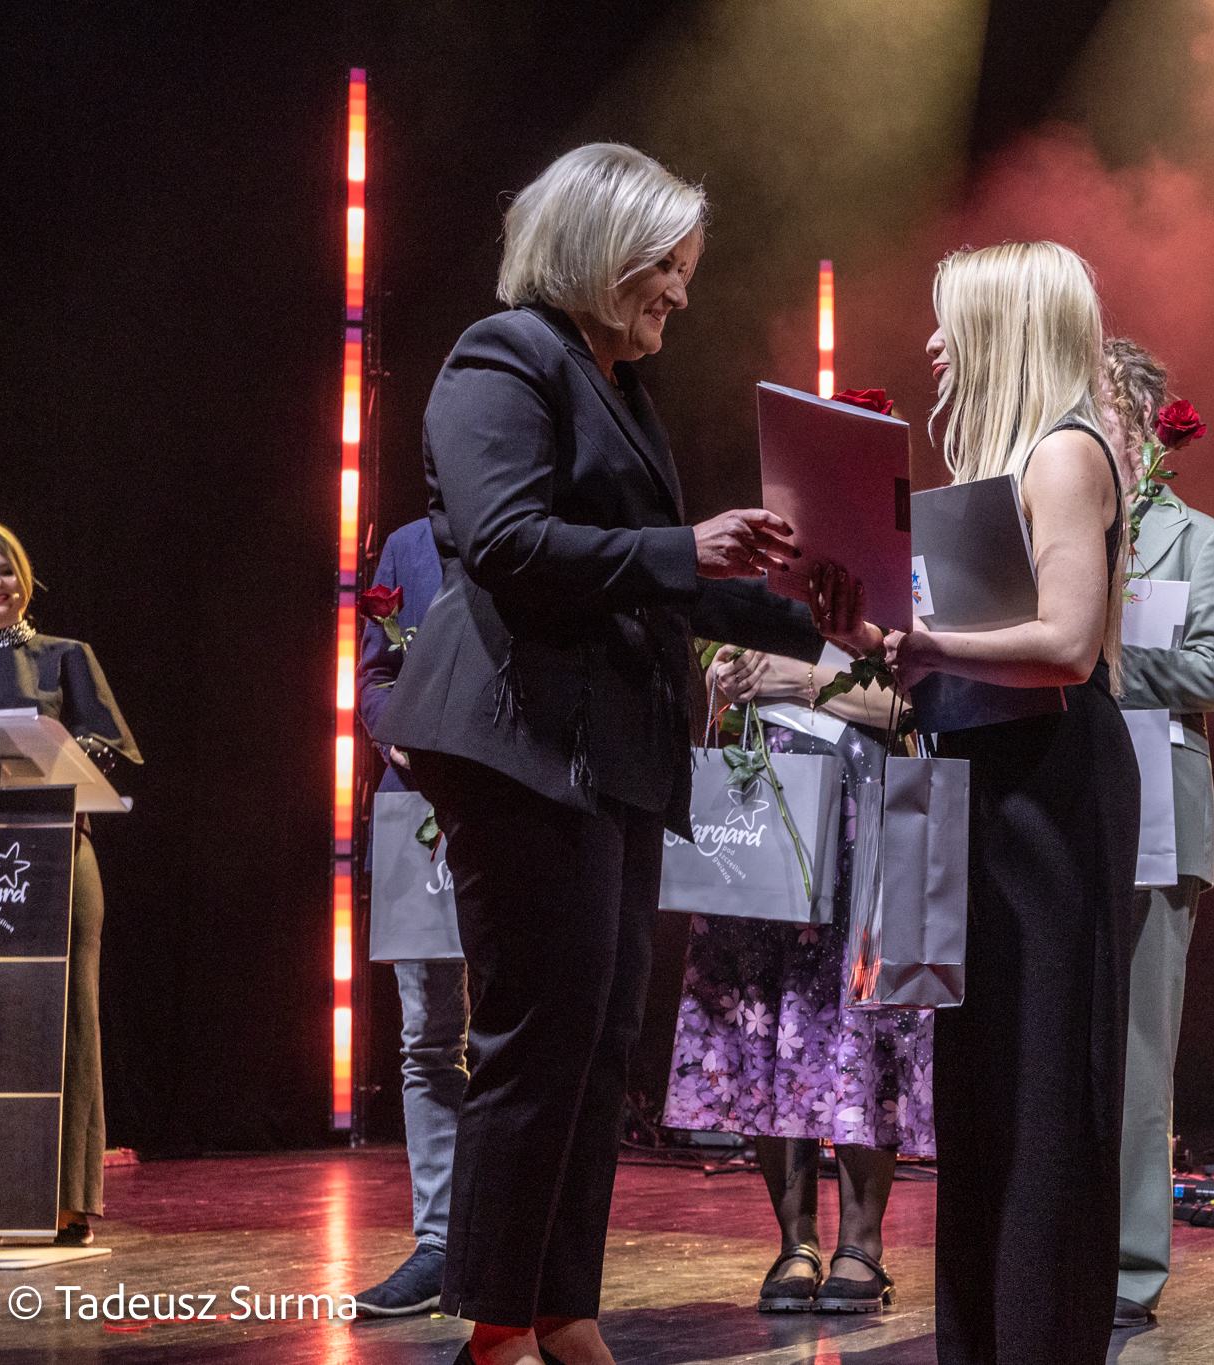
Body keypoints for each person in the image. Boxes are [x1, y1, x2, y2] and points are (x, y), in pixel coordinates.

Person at [369, 143, 826, 1365]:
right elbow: (508, 542)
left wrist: (829, 622)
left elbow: (664, 580)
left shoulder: (615, 385)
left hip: (606, 753)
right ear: (598, 252)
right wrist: (685, 547)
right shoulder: (503, 356)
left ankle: (561, 1309)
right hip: (521, 742)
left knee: (597, 1046)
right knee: (537, 1043)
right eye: (666, 267)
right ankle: (496, 1329)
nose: (681, 293)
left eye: (685, 270)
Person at [833, 240, 1142, 1365]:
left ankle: (1035, 1339)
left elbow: (1066, 644)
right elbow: (963, 654)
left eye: (948, 319)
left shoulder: (1064, 454)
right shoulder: (1008, 468)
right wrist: (876, 639)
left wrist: (925, 644)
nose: (930, 343)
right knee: (981, 1091)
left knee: (1043, 1087)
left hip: (1048, 790)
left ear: (1004, 328)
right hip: (986, 773)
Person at [661, 646, 930, 1314]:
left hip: (861, 796)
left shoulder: (887, 593)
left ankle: (860, 1245)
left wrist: (803, 680)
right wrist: (720, 676)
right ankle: (795, 1242)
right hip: (759, 797)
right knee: (765, 1015)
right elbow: (704, 686)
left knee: (860, 1017)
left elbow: (912, 705)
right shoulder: (752, 587)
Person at [1098, 340, 1214, 1329]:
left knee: (1139, 1057)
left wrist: (1111, 658)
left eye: (1104, 409)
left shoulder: (1198, 540)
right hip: (1061, 807)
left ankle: (1127, 1269)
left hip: (1157, 817)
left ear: (1145, 427)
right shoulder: (1051, 524)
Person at [0, 515, 140, 1245]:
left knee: (68, 1021)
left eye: (5, 569)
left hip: (59, 851)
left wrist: (51, 748)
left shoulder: (66, 656)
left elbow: (111, 747)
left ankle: (67, 1200)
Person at [352, 516, 465, 1317]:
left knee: (523, 1039)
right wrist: (397, 736)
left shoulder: (543, 525)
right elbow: (375, 675)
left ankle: (510, 1241)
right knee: (427, 1036)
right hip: (418, 806)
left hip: (524, 809)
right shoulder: (408, 544)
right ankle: (440, 1242)